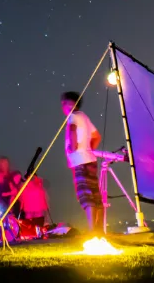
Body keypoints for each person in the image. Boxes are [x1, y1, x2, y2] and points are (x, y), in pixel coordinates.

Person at [61, 91, 103, 232]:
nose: (63, 106)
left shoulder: (72, 117)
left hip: (80, 161)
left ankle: (92, 231)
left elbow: (72, 130)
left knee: (85, 195)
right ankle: (98, 230)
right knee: (95, 194)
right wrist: (88, 149)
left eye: (65, 103)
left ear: (71, 103)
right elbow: (97, 136)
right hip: (90, 160)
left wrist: (73, 148)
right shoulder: (83, 116)